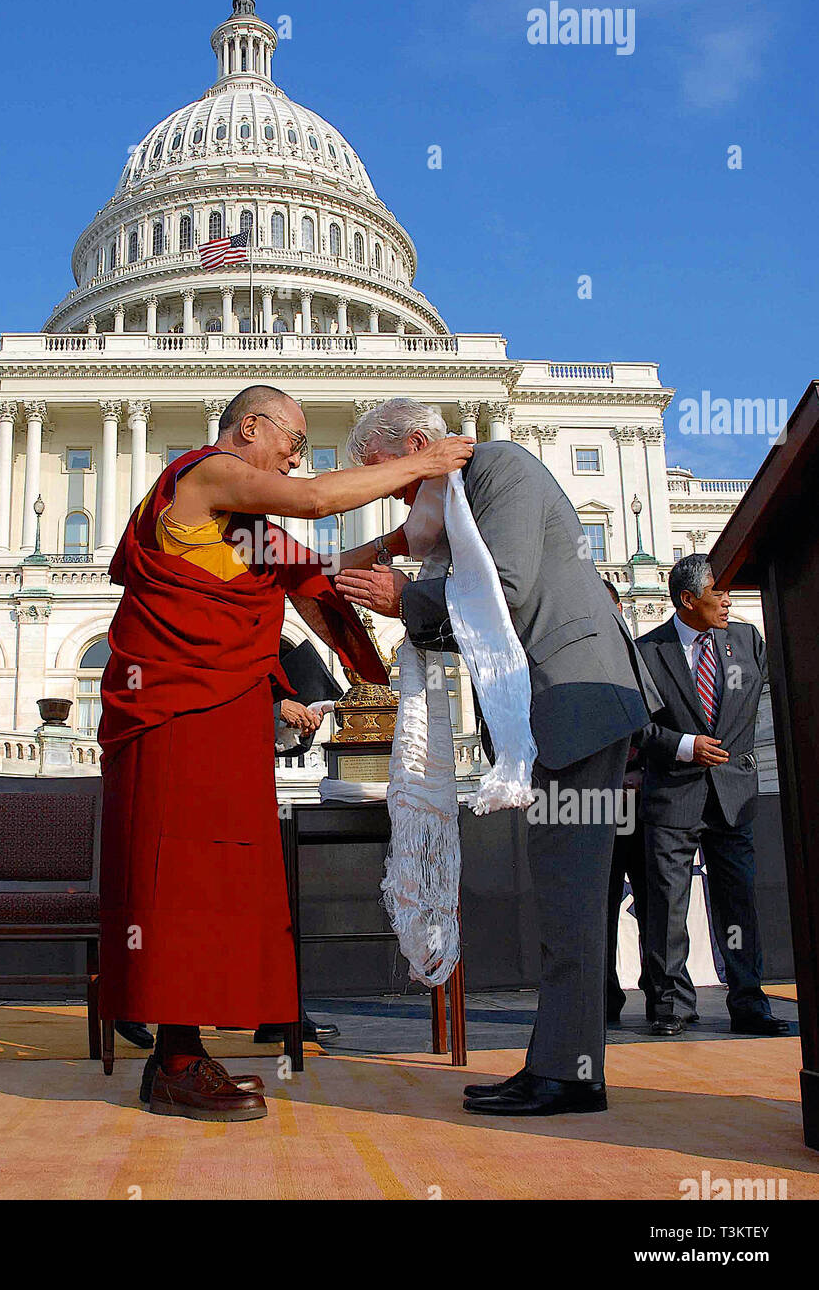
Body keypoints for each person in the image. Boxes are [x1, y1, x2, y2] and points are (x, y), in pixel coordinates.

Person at [98, 386, 473, 1121]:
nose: (298, 457)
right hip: (176, 714)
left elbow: (317, 582)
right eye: (293, 442)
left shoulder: (242, 532)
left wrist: (396, 572)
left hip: (221, 718)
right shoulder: (203, 475)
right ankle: (174, 1061)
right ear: (250, 429)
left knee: (222, 876)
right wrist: (423, 461)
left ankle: (182, 1054)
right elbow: (315, 502)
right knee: (182, 876)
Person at [334, 398, 662, 1116]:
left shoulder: (500, 470)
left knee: (570, 896)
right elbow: (471, 611)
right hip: (554, 708)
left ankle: (569, 1074)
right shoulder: (460, 500)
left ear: (419, 443)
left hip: (573, 701)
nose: (384, 491)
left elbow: (501, 592)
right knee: (564, 895)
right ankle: (559, 1063)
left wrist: (402, 598)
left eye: (384, 474)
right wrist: (379, 562)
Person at [633, 553, 787, 1037]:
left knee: (737, 904)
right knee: (666, 908)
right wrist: (684, 746)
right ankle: (671, 1007)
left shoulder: (747, 641)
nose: (727, 601)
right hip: (672, 798)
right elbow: (635, 725)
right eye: (717, 592)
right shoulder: (646, 650)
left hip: (733, 797)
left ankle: (748, 1003)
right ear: (687, 600)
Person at [601, 579, 657, 1024]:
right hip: (596, 803)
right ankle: (603, 996)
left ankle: (664, 997)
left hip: (648, 798)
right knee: (599, 905)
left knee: (656, 901)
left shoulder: (645, 658)